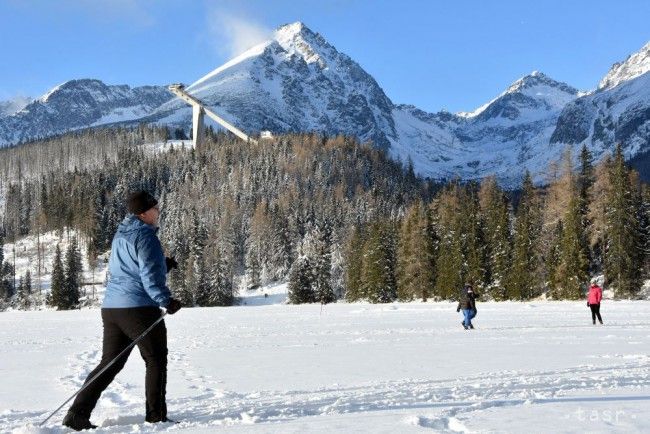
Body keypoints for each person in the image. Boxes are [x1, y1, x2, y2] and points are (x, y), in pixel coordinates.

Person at [62, 191, 182, 431]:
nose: (159, 212)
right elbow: (147, 276)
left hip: (113, 308)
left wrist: (162, 266)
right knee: (155, 359)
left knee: (110, 363)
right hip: (139, 308)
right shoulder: (146, 236)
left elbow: (127, 271)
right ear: (144, 213)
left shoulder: (121, 235)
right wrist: (166, 300)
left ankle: (77, 414)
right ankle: (156, 416)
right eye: (155, 209)